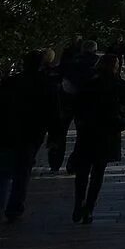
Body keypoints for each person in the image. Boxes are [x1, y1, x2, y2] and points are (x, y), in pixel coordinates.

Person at [0, 50, 59, 228]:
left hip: (6, 134)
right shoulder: (46, 84)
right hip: (30, 137)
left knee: (1, 174)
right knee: (22, 174)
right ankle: (14, 209)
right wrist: (54, 137)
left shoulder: (10, 83)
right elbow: (53, 113)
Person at [66, 55, 125, 225]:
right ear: (115, 67)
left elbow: (76, 104)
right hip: (107, 134)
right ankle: (89, 208)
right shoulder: (119, 84)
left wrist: (80, 121)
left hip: (87, 133)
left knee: (82, 172)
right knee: (98, 174)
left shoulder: (88, 81)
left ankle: (78, 203)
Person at [48, 41, 97, 172]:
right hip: (85, 103)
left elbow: (56, 74)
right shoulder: (96, 63)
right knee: (82, 136)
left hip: (66, 100)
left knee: (60, 131)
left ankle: (55, 162)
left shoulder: (71, 61)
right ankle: (74, 163)